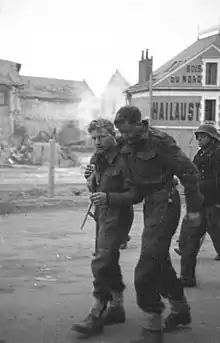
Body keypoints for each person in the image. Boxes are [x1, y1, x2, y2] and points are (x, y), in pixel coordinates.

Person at [113, 106, 203, 343]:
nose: (124, 137)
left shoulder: (160, 141)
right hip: (149, 205)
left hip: (166, 201)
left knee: (147, 265)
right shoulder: (125, 144)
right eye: (120, 133)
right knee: (159, 261)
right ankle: (180, 310)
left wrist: (193, 209)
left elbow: (190, 172)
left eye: (127, 131)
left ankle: (152, 327)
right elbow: (127, 182)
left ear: (138, 123)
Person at [72, 118, 142, 338]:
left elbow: (135, 195)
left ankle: (95, 313)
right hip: (102, 214)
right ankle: (117, 306)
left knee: (102, 259)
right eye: (93, 138)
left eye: (101, 137)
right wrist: (90, 181)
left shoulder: (126, 157)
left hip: (119, 215)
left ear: (113, 134)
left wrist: (108, 197)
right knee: (108, 258)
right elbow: (96, 186)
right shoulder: (97, 157)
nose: (97, 142)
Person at [178, 123, 220, 288]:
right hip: (198, 204)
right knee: (189, 240)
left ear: (212, 138)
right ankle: (187, 278)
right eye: (198, 136)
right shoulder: (200, 154)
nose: (199, 139)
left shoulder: (218, 154)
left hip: (214, 204)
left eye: (203, 136)